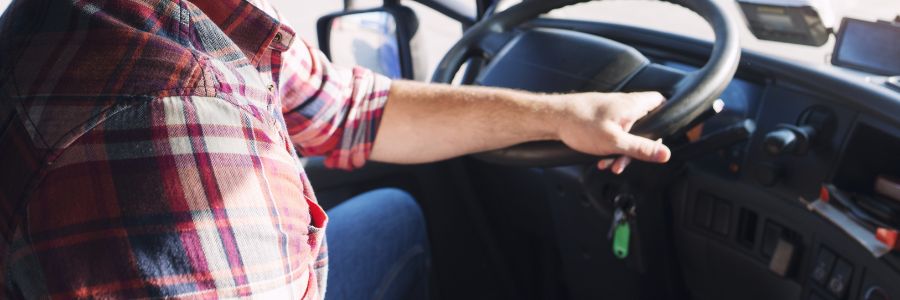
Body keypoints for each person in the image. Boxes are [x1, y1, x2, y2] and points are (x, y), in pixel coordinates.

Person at [0, 0, 670, 299]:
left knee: (392, 213)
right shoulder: (179, 134)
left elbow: (346, 109)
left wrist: (565, 116)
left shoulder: (137, 16)